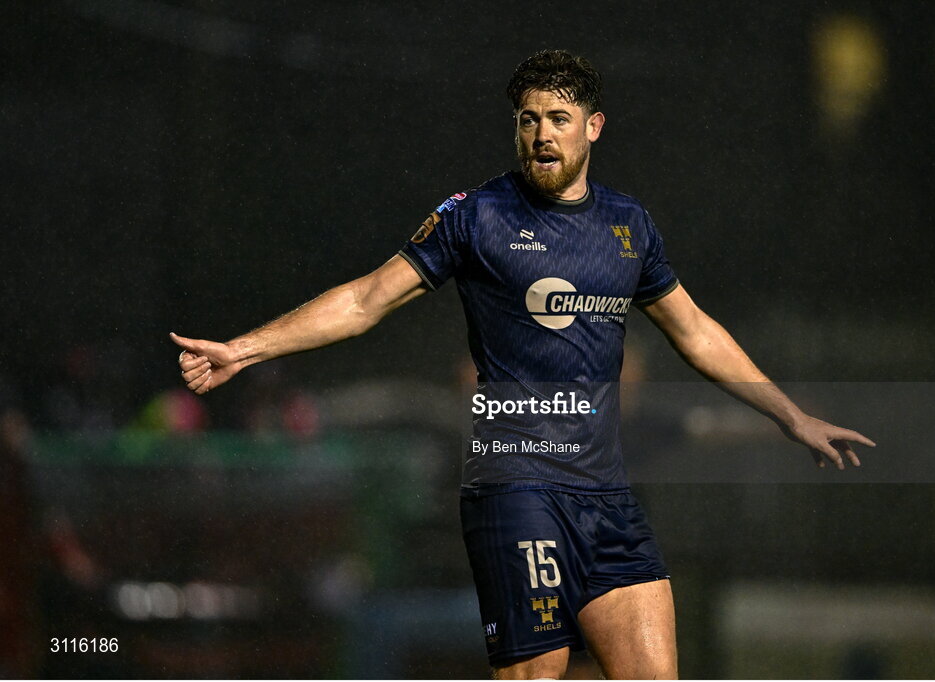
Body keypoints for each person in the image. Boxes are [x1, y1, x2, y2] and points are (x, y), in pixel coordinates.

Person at [172, 50, 875, 679]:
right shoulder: (475, 215)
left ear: (593, 127)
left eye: (558, 119)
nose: (542, 134)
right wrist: (243, 348)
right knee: (538, 676)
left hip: (606, 500)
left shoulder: (629, 226)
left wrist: (789, 416)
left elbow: (695, 332)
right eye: (528, 119)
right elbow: (364, 300)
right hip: (517, 489)